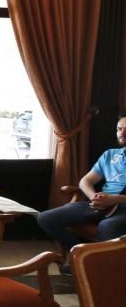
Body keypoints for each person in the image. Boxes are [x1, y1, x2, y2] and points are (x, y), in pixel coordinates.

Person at [37, 115, 126, 274]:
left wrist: (115, 199)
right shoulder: (110, 155)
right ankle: (81, 258)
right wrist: (93, 196)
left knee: (107, 227)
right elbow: (85, 181)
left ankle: (98, 270)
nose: (122, 133)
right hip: (100, 203)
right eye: (119, 129)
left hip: (123, 208)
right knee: (46, 218)